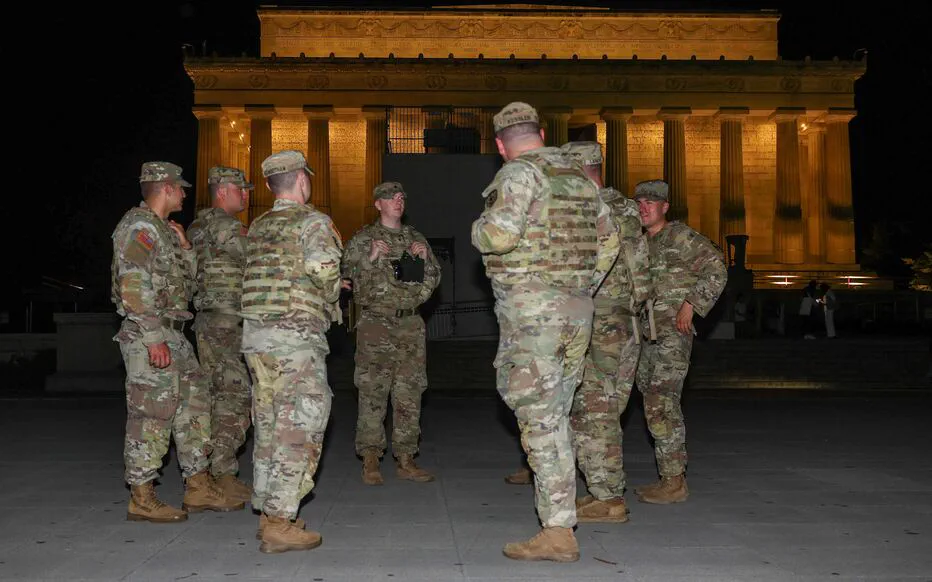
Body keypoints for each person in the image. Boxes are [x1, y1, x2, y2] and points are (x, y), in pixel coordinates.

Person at [471, 103, 619, 562]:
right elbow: (610, 240)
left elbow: (498, 237)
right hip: (577, 311)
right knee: (558, 413)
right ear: (539, 132)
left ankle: (557, 530)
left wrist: (478, 227)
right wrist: (581, 287)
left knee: (542, 418)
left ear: (501, 145)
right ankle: (560, 516)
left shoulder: (519, 174)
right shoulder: (578, 178)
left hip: (535, 315)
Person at [112, 161, 243, 523]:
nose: (185, 193)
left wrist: (184, 247)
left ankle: (198, 485)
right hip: (149, 332)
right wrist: (153, 336)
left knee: (194, 407)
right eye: (181, 187)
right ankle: (142, 496)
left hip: (176, 332)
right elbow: (133, 283)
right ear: (166, 188)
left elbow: (189, 283)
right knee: (153, 414)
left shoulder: (165, 230)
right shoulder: (139, 227)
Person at [240, 150, 343, 554]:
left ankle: (268, 513)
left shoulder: (258, 226)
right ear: (302, 180)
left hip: (257, 338)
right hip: (295, 338)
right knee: (300, 423)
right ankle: (281, 521)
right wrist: (332, 293)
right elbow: (322, 269)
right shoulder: (313, 221)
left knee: (269, 424)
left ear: (269, 185)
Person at [561, 141, 651, 523]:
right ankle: (602, 490)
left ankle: (610, 498)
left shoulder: (590, 207)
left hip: (601, 321)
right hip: (627, 322)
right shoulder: (626, 206)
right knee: (606, 407)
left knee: (595, 409)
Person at [633, 179, 727, 505]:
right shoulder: (640, 243)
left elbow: (717, 269)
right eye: (639, 203)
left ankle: (674, 482)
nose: (644, 208)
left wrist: (692, 303)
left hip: (672, 335)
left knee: (662, 403)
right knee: (653, 403)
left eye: (650, 203)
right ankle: (668, 476)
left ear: (665, 207)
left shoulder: (681, 237)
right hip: (645, 336)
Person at [341, 181, 442, 485]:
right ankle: (371, 458)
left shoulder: (415, 238)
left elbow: (434, 278)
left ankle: (406, 458)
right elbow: (346, 277)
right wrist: (369, 259)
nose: (398, 202)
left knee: (410, 391)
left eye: (401, 198)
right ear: (378, 204)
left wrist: (424, 264)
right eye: (391, 198)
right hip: (375, 323)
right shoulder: (364, 239)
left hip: (410, 324)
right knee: (373, 390)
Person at [187, 166, 254, 504]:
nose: (246, 195)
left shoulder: (196, 227)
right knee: (235, 396)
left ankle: (219, 471)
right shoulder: (227, 227)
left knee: (215, 396)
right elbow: (257, 258)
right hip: (228, 323)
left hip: (207, 322)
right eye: (241, 189)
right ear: (224, 191)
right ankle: (223, 472)